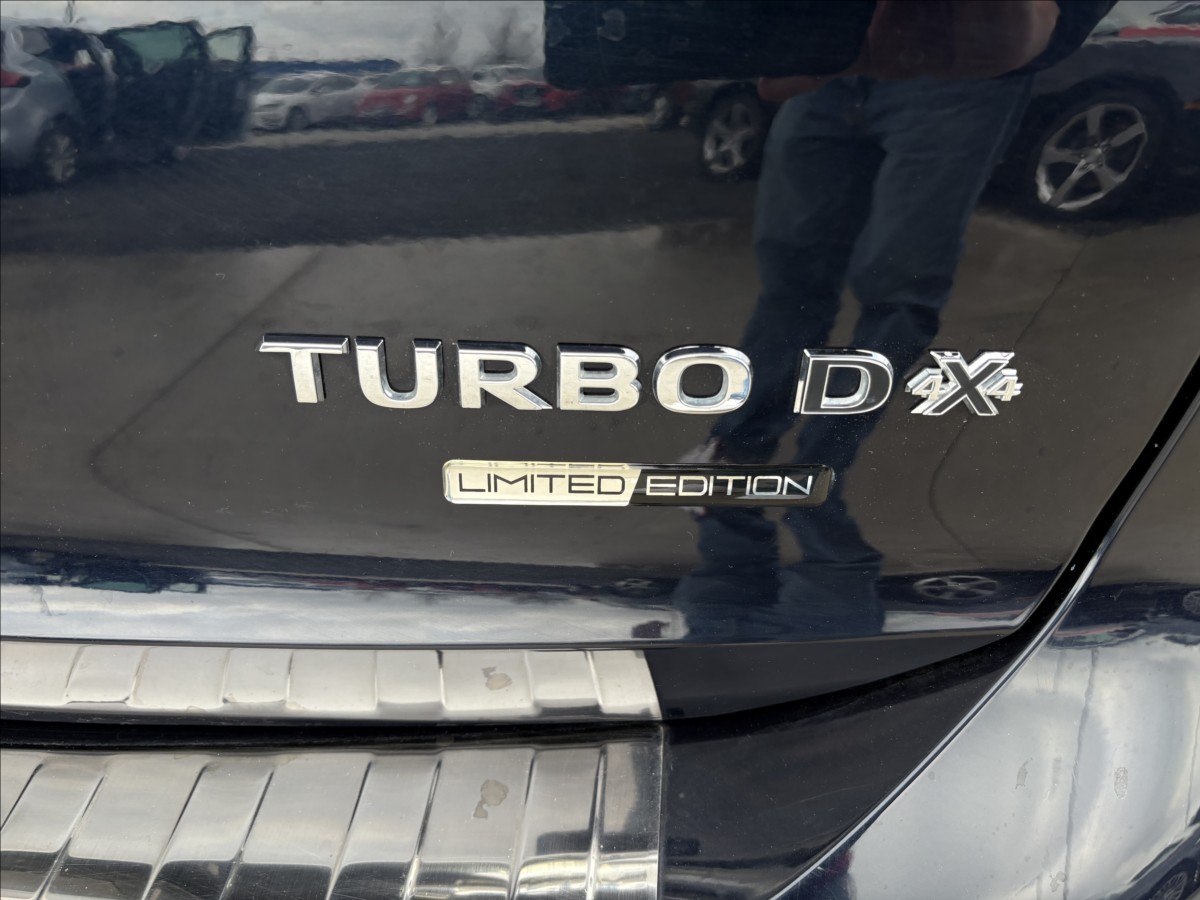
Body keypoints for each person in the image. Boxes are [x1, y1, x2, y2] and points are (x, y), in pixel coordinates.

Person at [672, 0, 1116, 640]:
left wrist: (1050, 24)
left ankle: (822, 467)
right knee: (792, 265)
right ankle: (740, 448)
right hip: (828, 54)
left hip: (962, 58)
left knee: (900, 281)